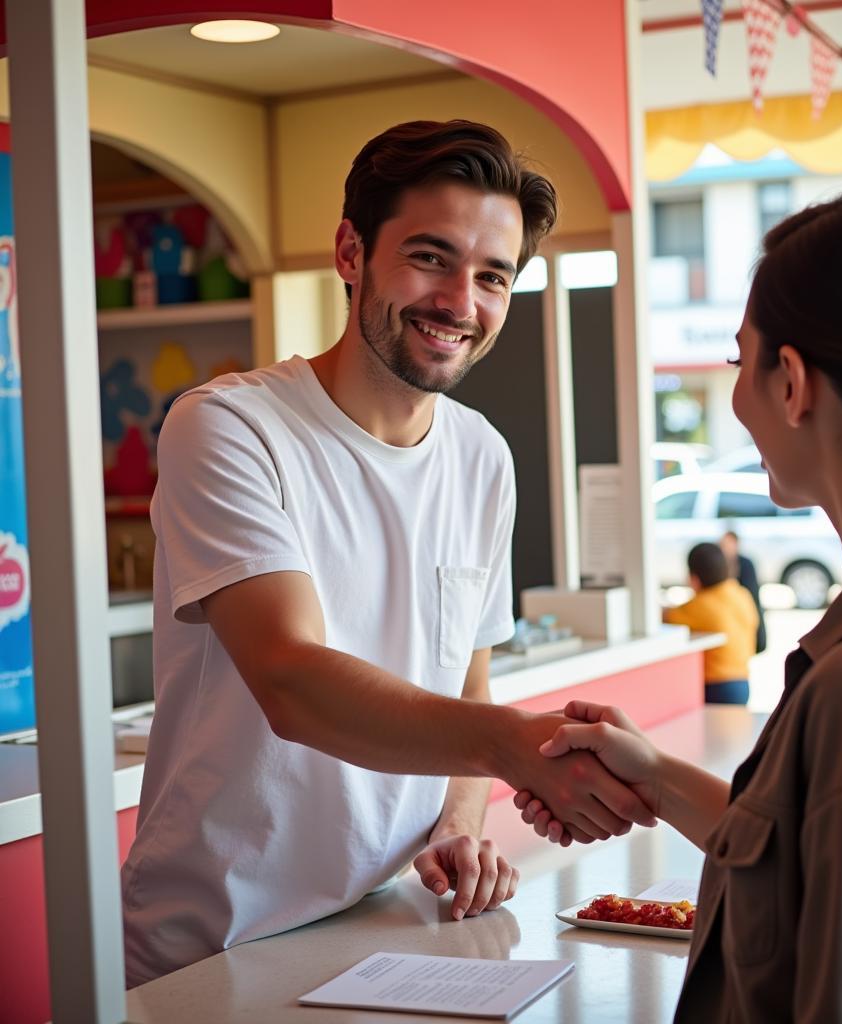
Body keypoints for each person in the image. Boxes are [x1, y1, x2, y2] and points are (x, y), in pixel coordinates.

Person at [120, 120, 654, 987]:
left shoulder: (482, 457)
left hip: (386, 925)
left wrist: (455, 822)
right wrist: (512, 746)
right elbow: (290, 678)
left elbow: (466, 682)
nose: (460, 302)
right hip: (217, 942)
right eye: (430, 257)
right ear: (349, 252)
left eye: (492, 276)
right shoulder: (229, 427)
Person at [517, 188, 842, 1021]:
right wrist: (657, 775)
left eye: (737, 362)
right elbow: (811, 861)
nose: (737, 400)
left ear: (790, 383)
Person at [663, 542, 759, 704]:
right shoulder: (741, 593)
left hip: (717, 686)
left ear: (694, 577)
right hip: (743, 681)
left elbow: (667, 616)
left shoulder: (700, 605)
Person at [719, 528, 766, 653]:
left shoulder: (745, 564)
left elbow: (752, 595)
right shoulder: (720, 565)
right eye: (722, 545)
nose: (725, 548)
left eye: (728, 544)